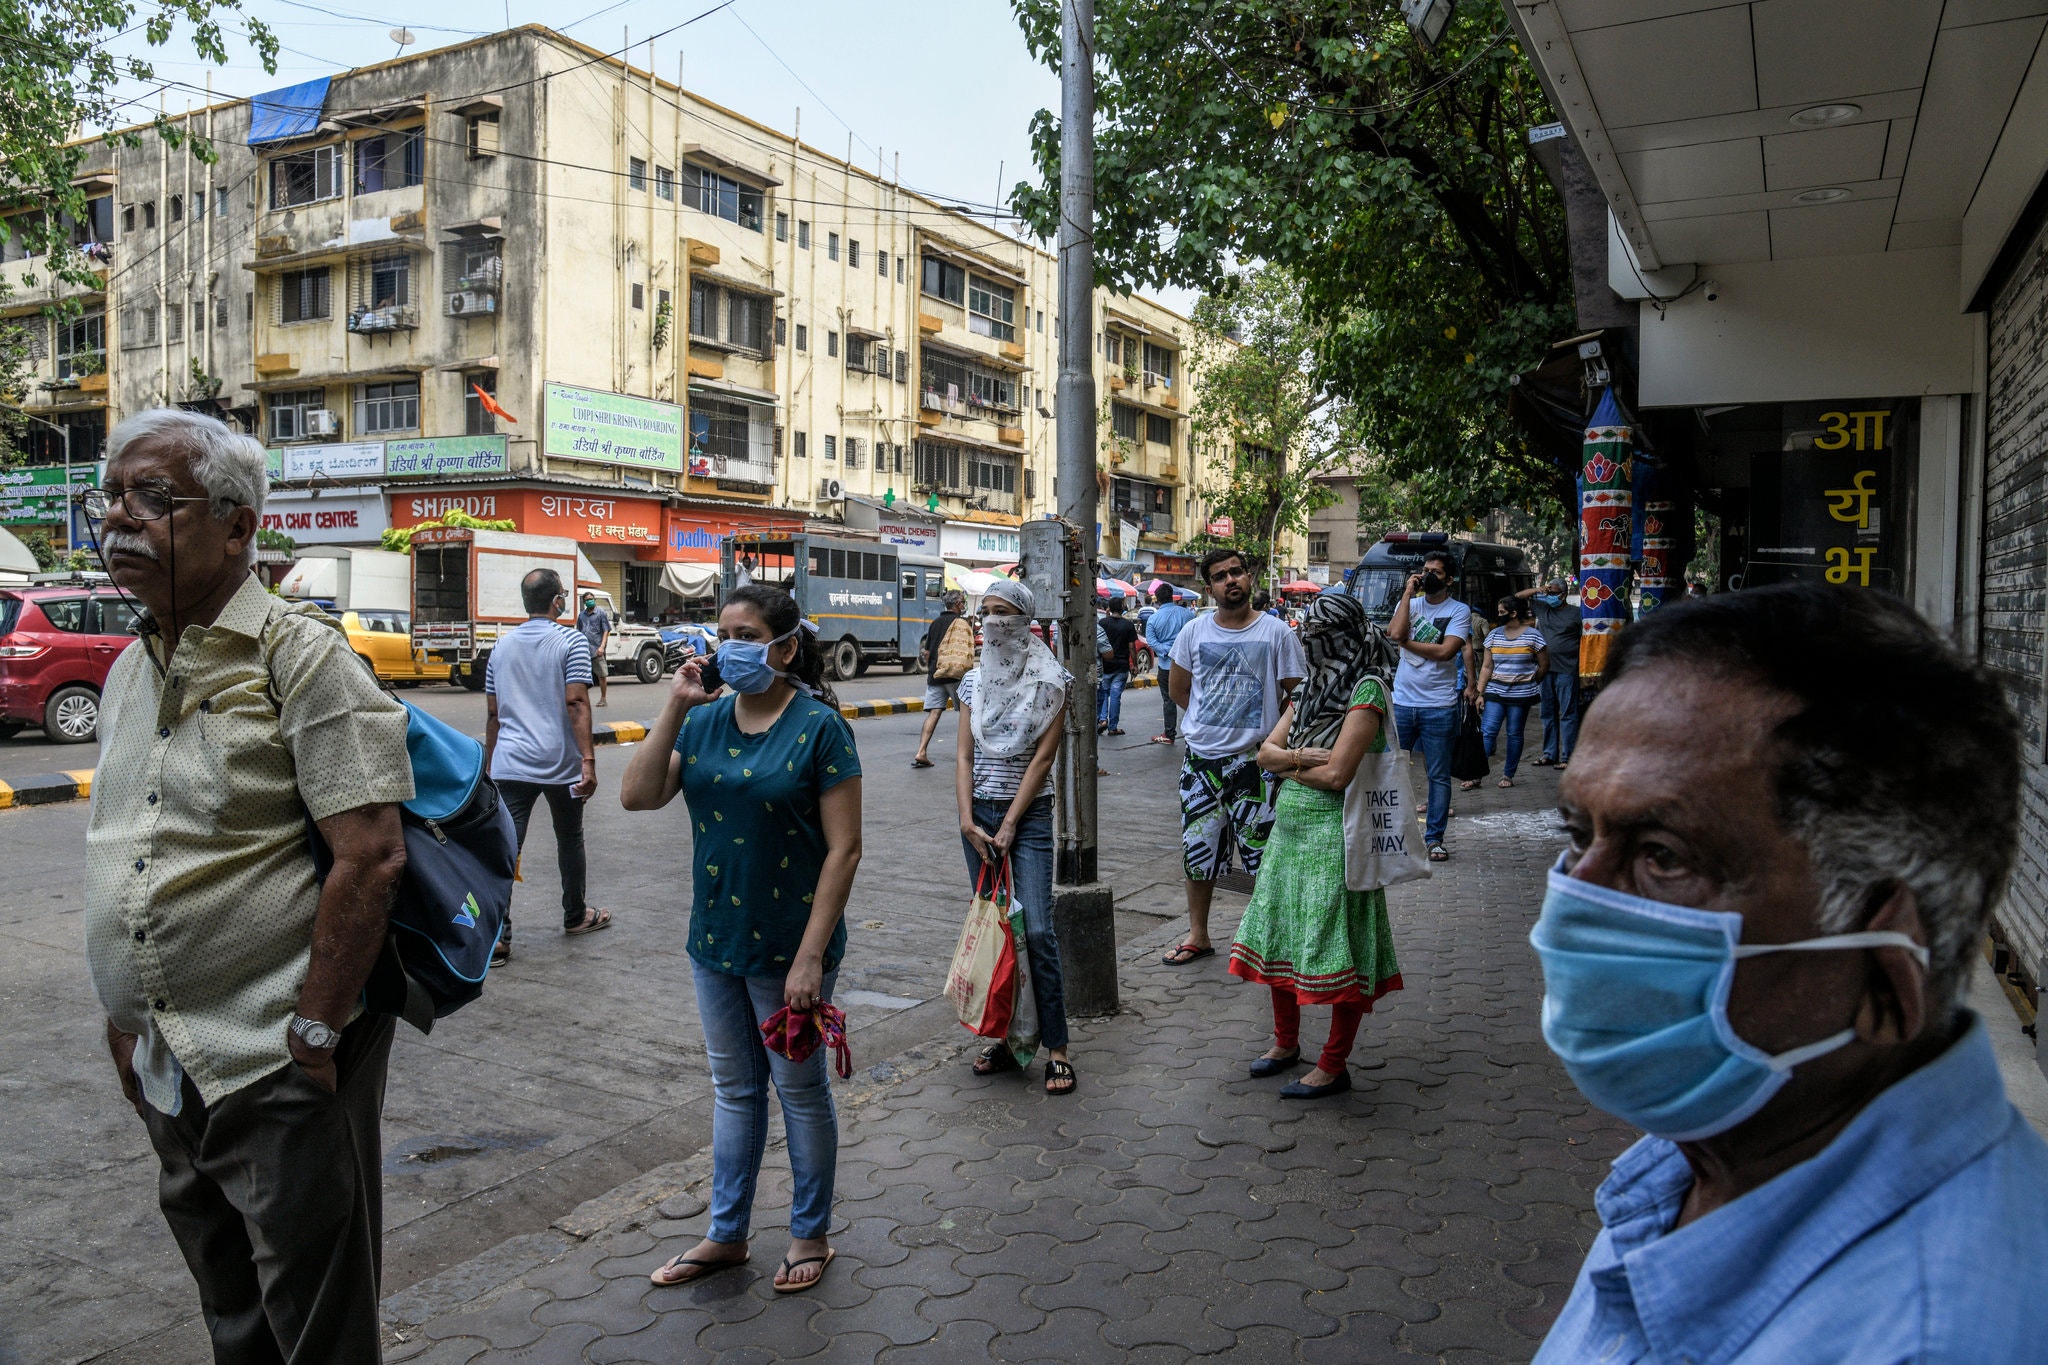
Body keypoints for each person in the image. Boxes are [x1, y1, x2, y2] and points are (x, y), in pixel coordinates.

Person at [1534, 582, 2048, 1363]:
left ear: (1889, 966)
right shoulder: (1714, 1156)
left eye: (1663, 857)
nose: (1572, 901)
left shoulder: (1930, 1338)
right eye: (1579, 834)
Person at [83, 409, 414, 1363]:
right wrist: (125, 1013)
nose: (121, 520)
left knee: (317, 1328)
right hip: (165, 1064)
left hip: (274, 1058)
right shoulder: (127, 674)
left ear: (238, 526)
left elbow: (371, 854)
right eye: (111, 498)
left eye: (154, 499)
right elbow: (128, 844)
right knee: (232, 1311)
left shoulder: (300, 657)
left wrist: (314, 1029)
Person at [621, 585, 862, 1295]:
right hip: (715, 939)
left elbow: (844, 849)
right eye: (723, 631)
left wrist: (812, 956)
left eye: (747, 632)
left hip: (792, 948)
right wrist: (674, 704)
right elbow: (636, 795)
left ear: (785, 647)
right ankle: (726, 1234)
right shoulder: (701, 724)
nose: (731, 645)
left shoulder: (821, 727)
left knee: (800, 1091)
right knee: (734, 1090)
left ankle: (809, 1230)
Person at [1229, 593, 1405, 1099]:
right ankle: (1285, 1044)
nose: (1309, 644)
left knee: (1337, 945)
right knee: (1279, 935)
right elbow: (1265, 753)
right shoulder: (1307, 690)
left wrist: (1290, 759)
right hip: (1289, 834)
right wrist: (1302, 756)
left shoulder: (1367, 691)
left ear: (1342, 638)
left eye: (1318, 636)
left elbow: (1338, 776)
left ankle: (1333, 1064)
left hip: (1336, 838)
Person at [955, 578, 1076, 1094]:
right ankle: (1003, 1039)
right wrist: (968, 820)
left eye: (1005, 613)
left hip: (1025, 820)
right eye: (987, 614)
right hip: (977, 817)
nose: (994, 623)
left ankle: (1057, 1047)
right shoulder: (972, 682)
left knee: (1038, 932)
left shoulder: (1052, 682)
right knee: (997, 932)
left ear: (1026, 621)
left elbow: (1044, 760)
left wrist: (1007, 826)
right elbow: (962, 756)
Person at [1163, 548, 1307, 966]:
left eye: (1237, 572)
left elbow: (1296, 697)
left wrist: (1272, 745)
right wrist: (1212, 726)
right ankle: (1199, 936)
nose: (1231, 580)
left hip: (1256, 765)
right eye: (1221, 576)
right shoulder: (1194, 632)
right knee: (1198, 851)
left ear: (1248, 578)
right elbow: (1179, 690)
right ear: (1209, 588)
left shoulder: (1276, 633)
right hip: (1201, 765)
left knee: (1263, 854)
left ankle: (1269, 938)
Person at [486, 568, 610, 965]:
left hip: (510, 764)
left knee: (506, 846)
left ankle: (497, 938)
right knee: (569, 838)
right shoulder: (571, 641)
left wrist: (490, 767)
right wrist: (588, 760)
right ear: (557, 600)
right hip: (560, 763)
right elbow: (576, 702)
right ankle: (576, 915)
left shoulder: (501, 647)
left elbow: (493, 714)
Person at [1387, 550, 1472, 861]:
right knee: (1390, 770)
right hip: (1402, 703)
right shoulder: (1409, 603)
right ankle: (1392, 834)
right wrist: (1408, 593)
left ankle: (1434, 839)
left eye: (1435, 571)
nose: (1427, 576)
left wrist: (1406, 643)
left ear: (1449, 579)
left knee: (1438, 776)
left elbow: (1446, 652)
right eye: (1424, 570)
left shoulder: (1459, 611)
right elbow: (1394, 632)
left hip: (1439, 705)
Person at [1475, 596, 1548, 788]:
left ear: (1513, 613)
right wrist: (1480, 693)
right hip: (1495, 692)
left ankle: (1508, 774)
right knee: (1488, 732)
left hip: (1521, 695)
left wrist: (1529, 682)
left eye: (1501, 612)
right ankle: (1476, 775)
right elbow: (1486, 667)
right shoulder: (1494, 635)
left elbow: (1543, 665)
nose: (1498, 616)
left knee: (1514, 733)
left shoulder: (1533, 636)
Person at [1516, 578, 1581, 769]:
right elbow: (1518, 597)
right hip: (1545, 670)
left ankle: (1567, 756)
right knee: (1547, 713)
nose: (1551, 596)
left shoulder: (1576, 613)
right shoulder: (1543, 608)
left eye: (1554, 593)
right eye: (1549, 593)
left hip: (1567, 670)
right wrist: (1540, 589)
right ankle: (1549, 754)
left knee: (1568, 713)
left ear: (1564, 594)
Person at [913, 590, 970, 770]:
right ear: (957, 604)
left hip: (935, 675)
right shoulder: (961, 623)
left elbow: (928, 652)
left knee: (934, 713)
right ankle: (968, 754)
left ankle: (921, 751)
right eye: (962, 602)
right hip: (954, 675)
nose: (963, 605)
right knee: (967, 713)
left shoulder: (935, 623)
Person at [1142, 583, 1193, 744]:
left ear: (1157, 599)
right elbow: (1195, 636)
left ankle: (1169, 733)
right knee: (1193, 697)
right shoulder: (1188, 615)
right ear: (1172, 596)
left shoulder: (1153, 619)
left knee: (1169, 699)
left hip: (1166, 665)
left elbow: (1151, 641)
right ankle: (1196, 729)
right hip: (1188, 665)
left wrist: (1167, 650)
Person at [1097, 594, 1137, 736]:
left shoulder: (1103, 623)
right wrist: (1135, 665)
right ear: (1122, 609)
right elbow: (1132, 647)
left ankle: (1102, 720)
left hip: (1105, 665)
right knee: (1115, 696)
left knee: (1103, 693)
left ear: (1109, 608)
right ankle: (1113, 727)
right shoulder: (1128, 625)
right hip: (1121, 666)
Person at [576, 591, 613, 707]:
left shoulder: (601, 613)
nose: (590, 601)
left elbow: (606, 631)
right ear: (584, 602)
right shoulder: (581, 615)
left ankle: (603, 698)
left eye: (591, 599)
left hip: (597, 649)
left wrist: (602, 647)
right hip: (584, 649)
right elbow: (579, 631)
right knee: (582, 676)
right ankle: (582, 699)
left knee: (601, 675)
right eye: (587, 600)